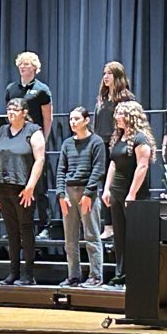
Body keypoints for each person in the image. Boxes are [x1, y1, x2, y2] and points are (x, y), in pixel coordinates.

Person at [0, 98, 46, 286]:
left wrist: (30, 186)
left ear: (24, 112)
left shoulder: (33, 131)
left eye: (15, 109)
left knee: (26, 229)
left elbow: (39, 160)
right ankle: (13, 272)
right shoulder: (1, 132)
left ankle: (28, 274)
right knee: (11, 232)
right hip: (3, 186)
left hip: (23, 188)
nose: (11, 112)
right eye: (8, 109)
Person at [101, 101, 154, 286]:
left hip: (132, 193)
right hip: (116, 192)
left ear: (131, 116)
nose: (116, 117)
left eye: (120, 114)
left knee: (133, 235)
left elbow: (142, 166)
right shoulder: (119, 137)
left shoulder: (140, 139)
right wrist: (107, 188)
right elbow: (113, 164)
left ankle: (135, 275)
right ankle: (121, 273)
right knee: (119, 234)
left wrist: (132, 194)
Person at [4, 52, 53, 239]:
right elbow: (8, 116)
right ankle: (17, 227)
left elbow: (48, 118)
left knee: (39, 186)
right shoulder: (11, 89)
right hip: (17, 141)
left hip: (35, 140)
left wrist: (44, 139)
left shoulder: (42, 90)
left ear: (34, 67)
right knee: (15, 184)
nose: (23, 67)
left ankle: (44, 226)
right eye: (20, 64)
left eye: (26, 64)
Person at [56, 106, 106, 287]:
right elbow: (61, 170)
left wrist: (88, 193)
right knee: (70, 239)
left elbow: (98, 169)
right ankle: (73, 275)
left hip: (87, 193)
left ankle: (96, 276)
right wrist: (61, 194)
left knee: (91, 236)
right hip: (69, 193)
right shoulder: (67, 144)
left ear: (86, 120)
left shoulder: (96, 142)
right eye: (71, 119)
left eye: (76, 119)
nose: (73, 122)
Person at [94, 61, 135, 239]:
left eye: (109, 73)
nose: (105, 76)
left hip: (116, 143)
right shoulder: (102, 98)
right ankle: (108, 225)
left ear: (118, 76)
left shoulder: (125, 98)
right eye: (104, 73)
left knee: (115, 184)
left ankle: (119, 224)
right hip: (101, 143)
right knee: (104, 184)